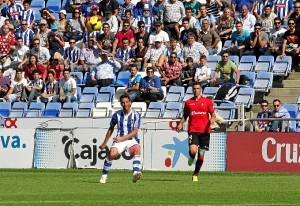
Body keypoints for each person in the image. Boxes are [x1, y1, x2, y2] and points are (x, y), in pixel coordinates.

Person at [176, 82, 215, 182]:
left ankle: (195, 174)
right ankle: (191, 157)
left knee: (201, 154)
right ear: (192, 90)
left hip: (205, 131)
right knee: (193, 150)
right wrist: (180, 123)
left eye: (198, 88)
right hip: (193, 130)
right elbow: (185, 115)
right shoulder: (188, 102)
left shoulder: (207, 102)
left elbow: (213, 114)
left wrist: (213, 119)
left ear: (201, 90)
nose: (196, 90)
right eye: (194, 88)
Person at [99, 94, 142, 184]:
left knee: (137, 149)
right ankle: (104, 176)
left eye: (127, 102)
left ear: (130, 103)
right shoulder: (116, 115)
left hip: (131, 140)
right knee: (111, 154)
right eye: (123, 103)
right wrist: (105, 142)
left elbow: (134, 132)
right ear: (121, 104)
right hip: (119, 140)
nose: (125, 104)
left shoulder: (136, 115)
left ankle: (135, 173)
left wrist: (121, 138)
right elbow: (111, 128)